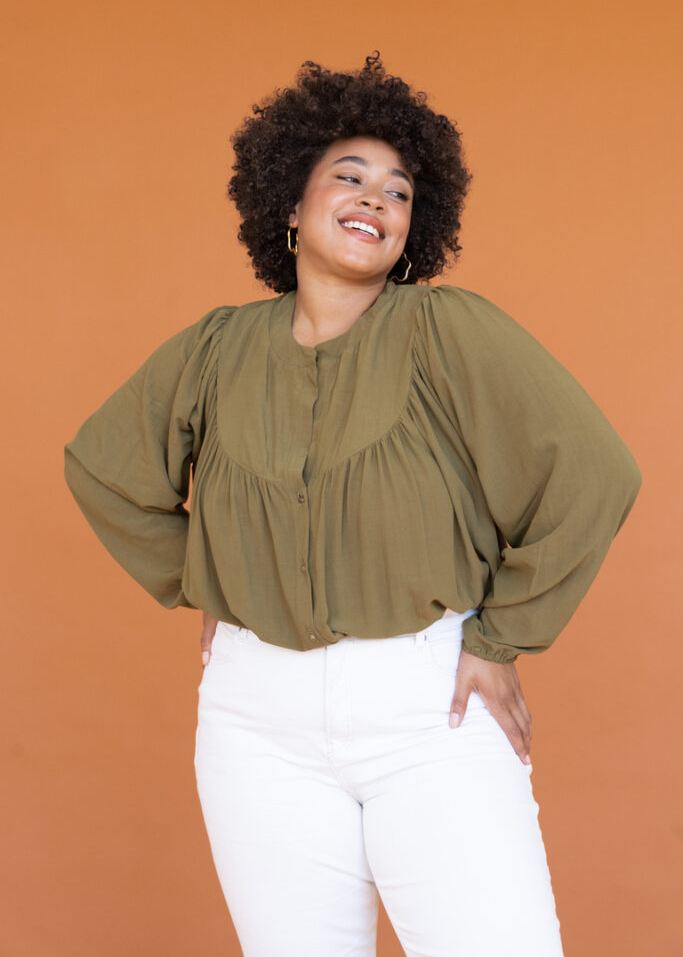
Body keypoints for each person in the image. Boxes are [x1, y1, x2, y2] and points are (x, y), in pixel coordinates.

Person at [63, 53, 642, 957]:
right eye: (349, 177)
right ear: (289, 206)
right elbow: (103, 471)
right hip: (253, 723)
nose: (376, 198)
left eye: (399, 191)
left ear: (414, 230)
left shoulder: (446, 330)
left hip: (426, 713)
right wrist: (213, 582)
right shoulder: (216, 349)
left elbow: (594, 474)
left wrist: (499, 637)